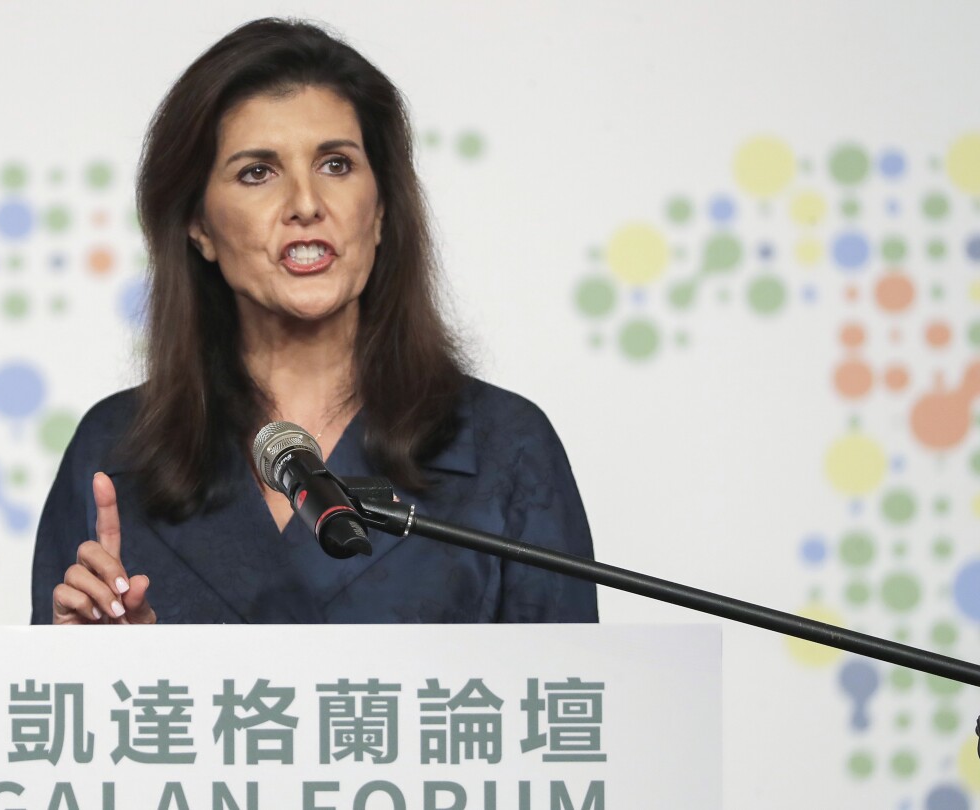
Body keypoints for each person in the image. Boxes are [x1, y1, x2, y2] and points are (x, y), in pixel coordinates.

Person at [31, 18, 597, 625]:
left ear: (380, 210)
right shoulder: (114, 450)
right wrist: (103, 665)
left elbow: (569, 684)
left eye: (335, 165)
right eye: (258, 172)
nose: (306, 204)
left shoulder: (505, 447)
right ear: (198, 225)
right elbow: (50, 685)